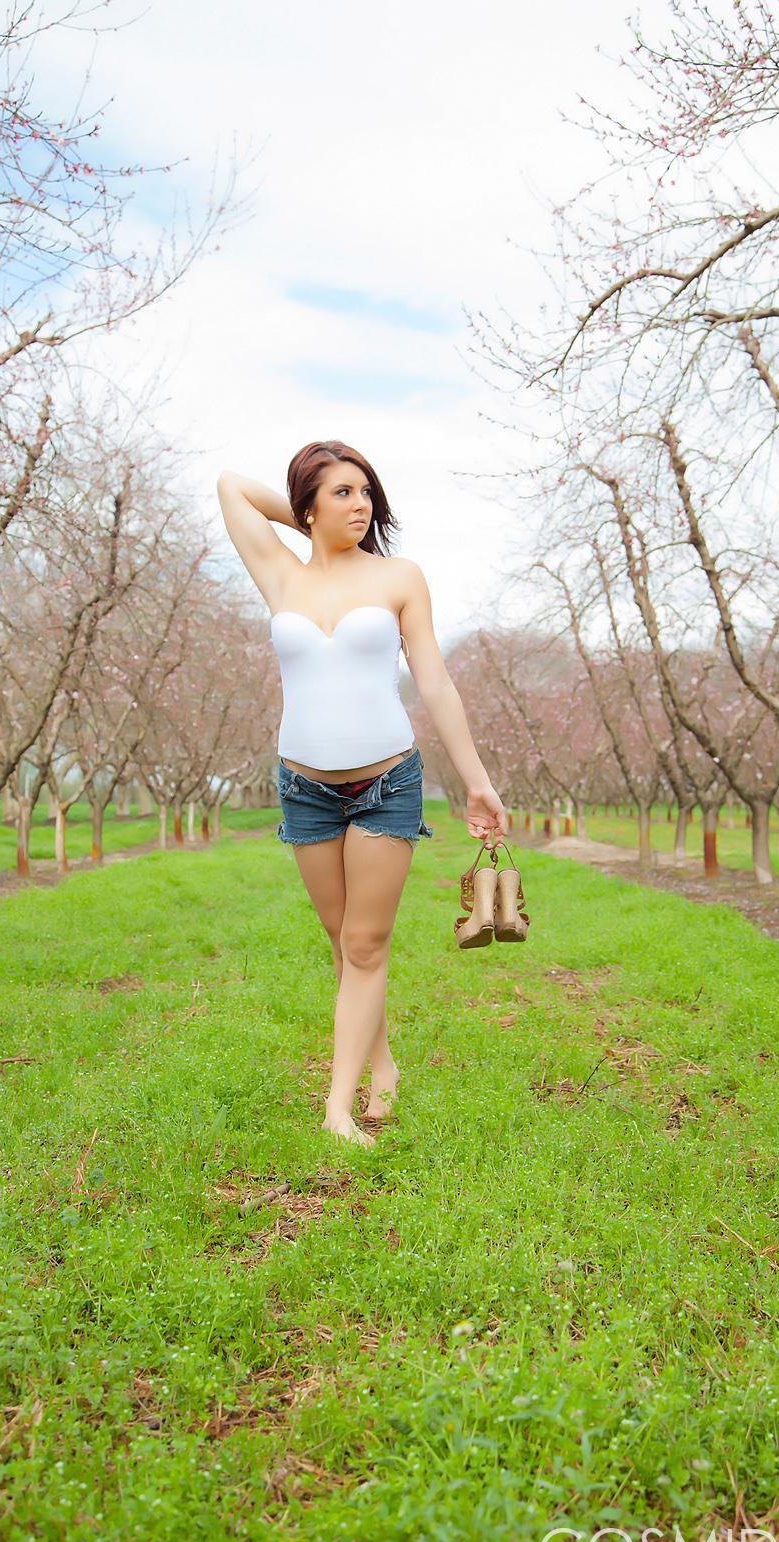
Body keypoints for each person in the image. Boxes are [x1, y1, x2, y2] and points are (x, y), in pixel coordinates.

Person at [216, 441, 507, 1148]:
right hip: (303, 788)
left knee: (365, 944)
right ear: (309, 504)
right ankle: (383, 1068)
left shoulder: (399, 577)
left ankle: (337, 1109)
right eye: (342, 493)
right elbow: (231, 485)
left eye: (365, 493)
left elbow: (433, 682)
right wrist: (311, 520)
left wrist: (476, 781)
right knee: (343, 943)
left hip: (385, 781)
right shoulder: (281, 576)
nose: (361, 505)